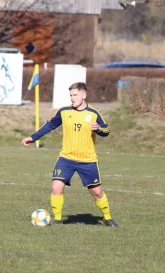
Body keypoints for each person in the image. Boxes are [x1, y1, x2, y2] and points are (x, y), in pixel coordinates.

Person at [21, 82, 118, 227]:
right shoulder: (64, 112)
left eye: (75, 95)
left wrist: (98, 128)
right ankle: (58, 220)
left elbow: (106, 130)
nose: (72, 98)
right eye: (71, 95)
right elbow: (50, 125)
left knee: (97, 192)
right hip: (66, 158)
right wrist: (34, 137)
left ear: (84, 95)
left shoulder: (93, 113)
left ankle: (107, 217)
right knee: (56, 187)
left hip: (87, 160)